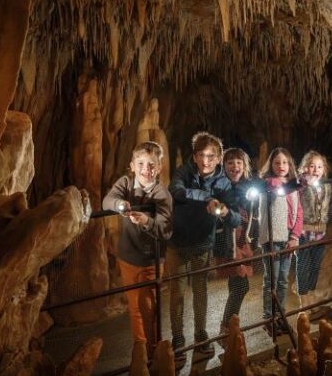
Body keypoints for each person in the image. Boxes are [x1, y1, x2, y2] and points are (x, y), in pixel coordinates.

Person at [167, 132, 240, 359]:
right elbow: (176, 190)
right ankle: (178, 337)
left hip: (202, 243)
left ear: (218, 158)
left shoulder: (223, 183)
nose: (206, 160)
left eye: (211, 156)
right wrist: (206, 198)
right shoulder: (184, 172)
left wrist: (225, 212)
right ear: (195, 156)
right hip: (177, 242)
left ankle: (200, 334)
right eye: (201, 155)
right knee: (177, 293)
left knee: (200, 291)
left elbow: (236, 218)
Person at [102, 141, 172, 358]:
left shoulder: (162, 194)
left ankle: (155, 350)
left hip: (152, 260)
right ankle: (141, 351)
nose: (145, 169)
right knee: (134, 308)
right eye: (140, 163)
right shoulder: (126, 183)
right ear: (132, 166)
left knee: (149, 307)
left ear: (159, 168)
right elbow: (107, 201)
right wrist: (120, 205)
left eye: (151, 164)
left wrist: (146, 221)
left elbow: (166, 229)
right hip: (128, 257)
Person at [214, 148, 259, 344]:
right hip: (229, 240)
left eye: (239, 162)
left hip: (244, 239)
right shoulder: (220, 188)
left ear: (244, 165)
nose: (235, 166)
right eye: (230, 162)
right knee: (241, 285)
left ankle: (229, 327)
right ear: (223, 166)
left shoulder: (247, 186)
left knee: (236, 285)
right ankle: (226, 328)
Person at [258, 147, 303, 335]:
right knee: (272, 280)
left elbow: (298, 212)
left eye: (284, 162)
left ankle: (280, 316)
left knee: (283, 280)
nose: (281, 166)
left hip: (288, 239)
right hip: (272, 239)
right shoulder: (267, 183)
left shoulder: (293, 186)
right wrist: (294, 183)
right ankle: (269, 317)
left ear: (290, 164)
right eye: (277, 162)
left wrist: (295, 236)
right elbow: (275, 185)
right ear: (271, 165)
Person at [295, 150, 332, 308]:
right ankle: (303, 299)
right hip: (304, 233)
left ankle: (311, 293)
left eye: (319, 166)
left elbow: (328, 208)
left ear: (324, 169)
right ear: (305, 167)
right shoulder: (300, 185)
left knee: (315, 265)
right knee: (303, 265)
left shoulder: (327, 186)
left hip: (320, 233)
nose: (316, 170)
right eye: (312, 166)